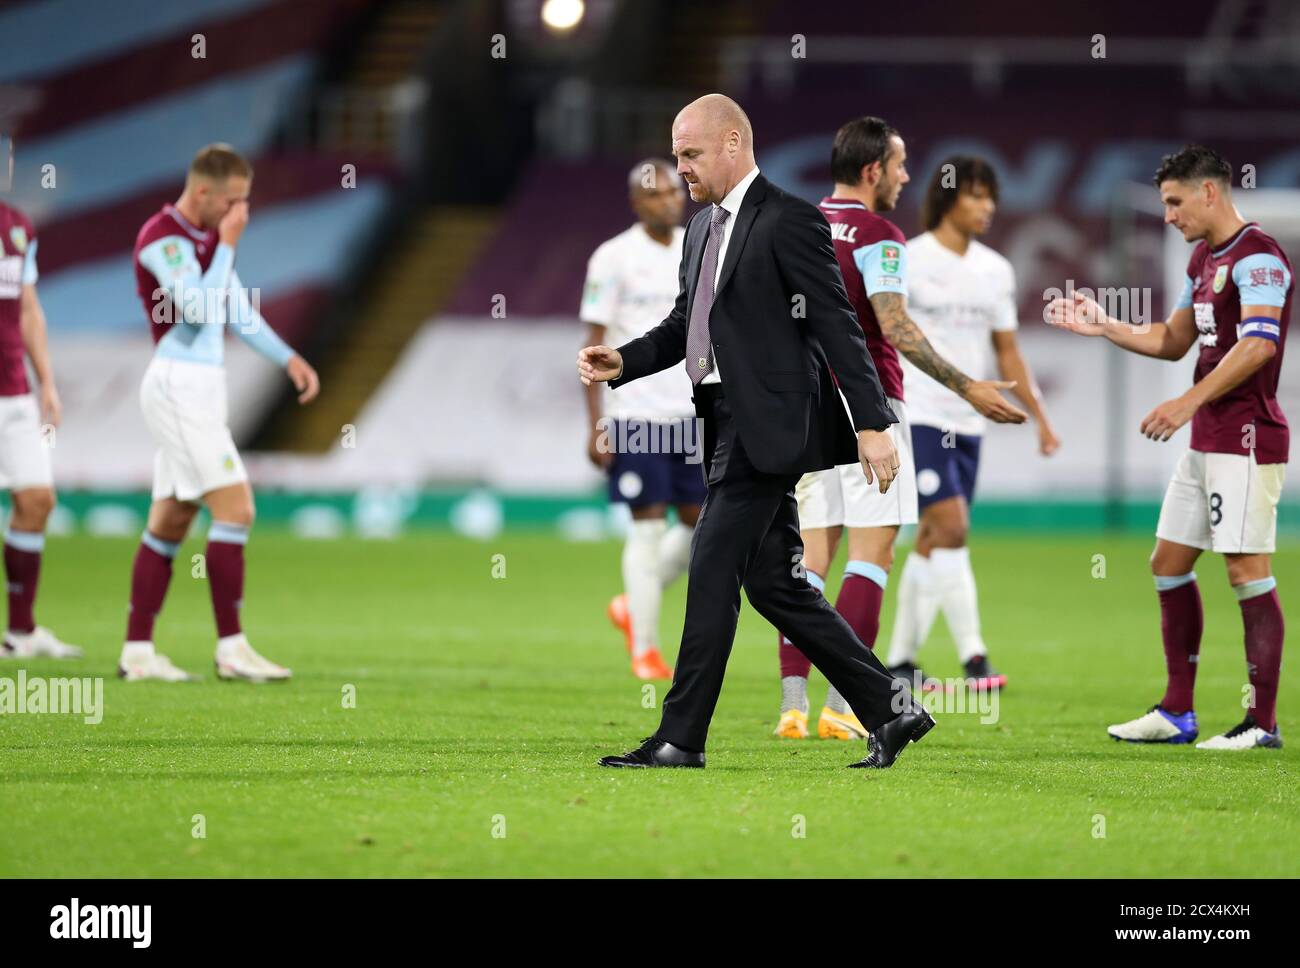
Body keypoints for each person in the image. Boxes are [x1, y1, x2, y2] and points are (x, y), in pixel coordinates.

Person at [578, 94, 935, 770]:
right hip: (723, 425)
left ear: (733, 142)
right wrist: (623, 360)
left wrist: (873, 424)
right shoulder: (701, 229)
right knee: (777, 585)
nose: (678, 168)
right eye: (677, 154)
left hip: (770, 428)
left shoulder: (791, 220)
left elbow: (837, 326)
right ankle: (894, 709)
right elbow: (690, 325)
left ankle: (680, 738)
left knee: (711, 564)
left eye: (690, 154)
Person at [774, 121, 1026, 741]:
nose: (907, 177)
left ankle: (792, 708)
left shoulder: (793, 224)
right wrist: (968, 385)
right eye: (900, 165)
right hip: (869, 408)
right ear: (872, 171)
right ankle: (843, 706)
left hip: (804, 405)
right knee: (873, 552)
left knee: (810, 556)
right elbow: (894, 324)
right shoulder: (881, 236)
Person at [1049, 144, 1290, 750]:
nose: (1168, 216)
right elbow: (1173, 340)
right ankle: (1177, 713)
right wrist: (1105, 324)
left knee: (1245, 569)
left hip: (1246, 438)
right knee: (1168, 563)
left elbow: (1259, 344)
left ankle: (1262, 724)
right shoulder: (1203, 262)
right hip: (1207, 439)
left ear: (1210, 192)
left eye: (1174, 202)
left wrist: (1186, 403)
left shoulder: (1260, 258)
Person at [120, 143, 320, 682]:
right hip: (178, 385)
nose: (242, 215)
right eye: (234, 203)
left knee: (170, 521)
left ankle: (137, 653)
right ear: (203, 191)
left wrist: (289, 358)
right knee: (237, 509)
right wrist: (228, 245)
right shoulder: (162, 239)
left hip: (202, 387)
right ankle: (232, 649)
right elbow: (198, 308)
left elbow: (236, 310)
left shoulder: (209, 239)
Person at [886, 155, 1059, 691]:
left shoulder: (996, 269)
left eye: (991, 197)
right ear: (947, 198)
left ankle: (900, 662)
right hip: (920, 413)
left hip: (971, 421)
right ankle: (974, 657)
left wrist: (1040, 418)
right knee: (954, 528)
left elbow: (1007, 352)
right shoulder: (909, 260)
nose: (987, 207)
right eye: (975, 195)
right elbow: (893, 332)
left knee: (934, 539)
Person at [581, 159, 701, 680]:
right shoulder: (612, 257)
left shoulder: (696, 248)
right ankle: (645, 650)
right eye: (655, 195)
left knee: (706, 523)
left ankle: (633, 605)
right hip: (634, 413)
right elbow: (592, 343)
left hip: (693, 410)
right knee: (647, 526)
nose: (668, 201)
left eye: (674, 191)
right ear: (636, 202)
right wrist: (596, 423)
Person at [0, 197, 80, 660]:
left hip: (14, 392)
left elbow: (28, 308)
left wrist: (46, 380)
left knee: (36, 500)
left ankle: (21, 632)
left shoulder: (17, 226)